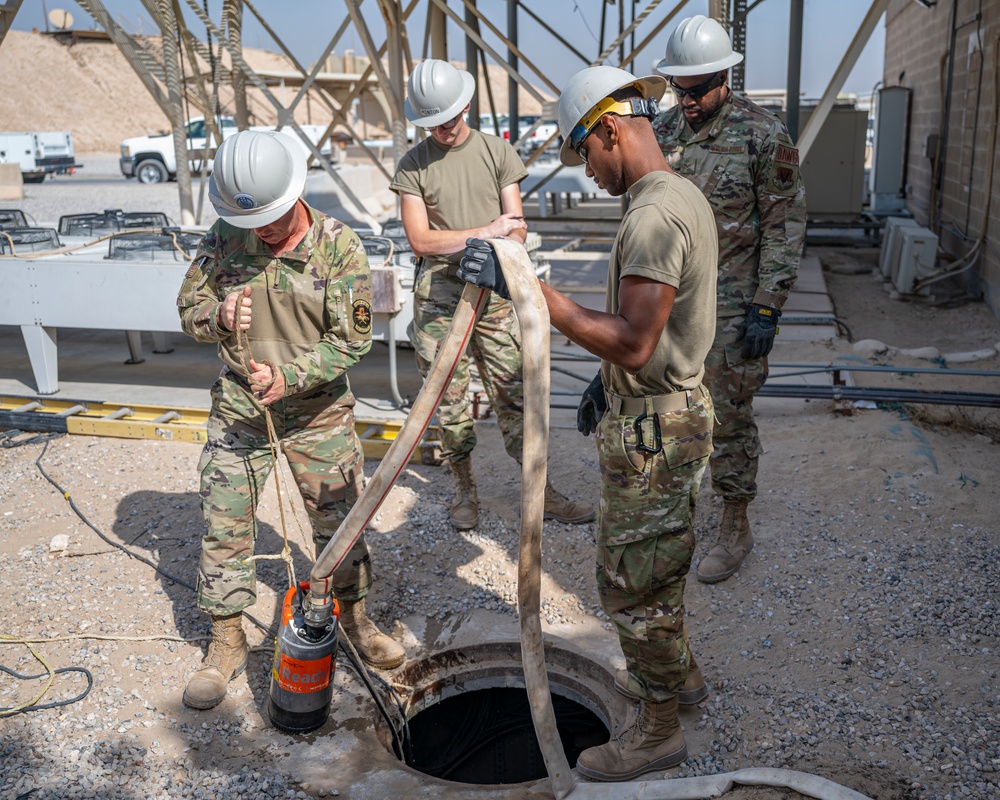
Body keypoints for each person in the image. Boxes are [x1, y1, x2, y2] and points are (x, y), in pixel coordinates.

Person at [459, 65, 718, 782]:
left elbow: (635, 340)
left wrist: (528, 289)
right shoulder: (675, 194)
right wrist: (613, 385)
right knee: (655, 568)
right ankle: (682, 678)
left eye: (584, 153)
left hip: (656, 435)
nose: (588, 172)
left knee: (630, 586)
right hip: (662, 414)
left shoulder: (653, 215)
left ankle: (659, 730)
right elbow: (645, 344)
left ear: (611, 130)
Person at [177, 129, 404, 711]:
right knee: (223, 521)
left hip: (317, 411)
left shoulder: (338, 248)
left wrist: (291, 377)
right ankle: (226, 639)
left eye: (273, 219)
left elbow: (352, 342)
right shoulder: (226, 238)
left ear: (295, 194)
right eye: (254, 222)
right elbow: (188, 311)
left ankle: (352, 618)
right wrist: (219, 314)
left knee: (340, 525)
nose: (263, 231)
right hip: (240, 410)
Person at [389, 58, 594, 531]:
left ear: (465, 105)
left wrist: (495, 240)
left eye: (449, 117)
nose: (442, 128)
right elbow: (421, 240)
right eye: (432, 122)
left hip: (496, 290)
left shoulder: (496, 154)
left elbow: (516, 229)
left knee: (514, 394)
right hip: (441, 297)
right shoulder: (412, 165)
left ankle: (540, 491)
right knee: (448, 398)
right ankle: (464, 488)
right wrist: (486, 232)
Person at [652, 15, 807, 584]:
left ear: (723, 77)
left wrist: (768, 305)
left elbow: (785, 225)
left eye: (696, 91)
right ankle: (676, 514)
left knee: (730, 418)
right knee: (669, 412)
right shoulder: (661, 133)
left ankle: (734, 523)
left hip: (734, 304)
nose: (686, 101)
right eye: (678, 90)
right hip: (668, 304)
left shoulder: (764, 136)